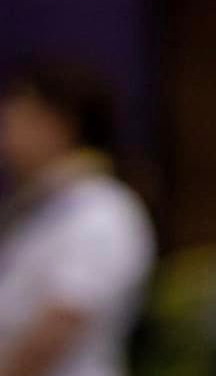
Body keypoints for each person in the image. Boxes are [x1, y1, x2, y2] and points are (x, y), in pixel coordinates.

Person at [0, 63, 154, 376]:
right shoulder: (38, 207)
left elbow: (58, 328)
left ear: (60, 124)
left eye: (21, 115)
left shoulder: (103, 211)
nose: (7, 129)